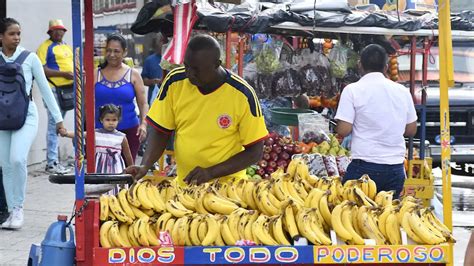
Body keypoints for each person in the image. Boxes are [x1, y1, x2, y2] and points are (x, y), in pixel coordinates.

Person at [125, 35, 268, 186]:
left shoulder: (242, 94)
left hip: (228, 189)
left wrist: (211, 172)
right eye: (187, 66)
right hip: (185, 186)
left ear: (216, 64)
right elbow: (161, 129)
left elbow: (255, 152)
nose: (189, 73)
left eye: (196, 69)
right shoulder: (175, 81)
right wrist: (145, 164)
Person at [0, 18, 67, 229]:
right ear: (1, 37)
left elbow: (46, 91)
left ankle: (18, 209)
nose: (16, 37)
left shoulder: (29, 58)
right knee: (6, 165)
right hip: (2, 117)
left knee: (18, 159)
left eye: (18, 33)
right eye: (12, 34)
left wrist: (58, 120)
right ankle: (11, 212)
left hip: (26, 115)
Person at [335, 44, 417, 198]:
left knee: (354, 215)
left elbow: (343, 130)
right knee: (387, 217)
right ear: (386, 67)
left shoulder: (352, 90)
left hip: (364, 167)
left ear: (360, 65)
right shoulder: (402, 91)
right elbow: (411, 130)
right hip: (396, 168)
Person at [95, 34, 148, 162]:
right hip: (100, 133)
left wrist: (143, 124)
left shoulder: (133, 74)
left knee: (128, 171)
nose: (112, 54)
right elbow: (85, 103)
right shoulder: (95, 74)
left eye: (116, 51)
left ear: (124, 52)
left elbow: (143, 104)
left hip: (129, 131)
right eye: (108, 50)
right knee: (103, 171)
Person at [37, 19, 74, 174]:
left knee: (59, 124)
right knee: (54, 124)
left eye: (62, 30)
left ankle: (58, 160)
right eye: (56, 30)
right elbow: (41, 69)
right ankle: (51, 163)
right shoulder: (45, 47)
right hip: (52, 89)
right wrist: (64, 74)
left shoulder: (65, 46)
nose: (59, 32)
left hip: (67, 90)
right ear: (50, 31)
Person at [64, 104, 133, 173]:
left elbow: (128, 155)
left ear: (119, 120)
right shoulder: (96, 133)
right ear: (101, 120)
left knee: (115, 182)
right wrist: (66, 133)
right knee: (99, 183)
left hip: (116, 167)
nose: (111, 123)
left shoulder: (121, 137)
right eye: (107, 120)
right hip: (99, 167)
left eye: (114, 120)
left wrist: (132, 170)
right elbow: (80, 134)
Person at [141, 34, 165, 105]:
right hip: (154, 101)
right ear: (156, 43)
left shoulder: (174, 60)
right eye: (161, 41)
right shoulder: (149, 60)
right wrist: (154, 81)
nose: (163, 44)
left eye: (165, 41)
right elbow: (143, 81)